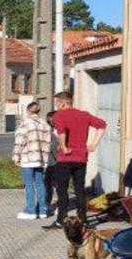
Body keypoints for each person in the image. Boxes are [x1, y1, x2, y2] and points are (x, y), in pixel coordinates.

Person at [45, 91, 106, 229]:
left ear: (63, 102)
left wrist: (64, 146)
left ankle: (61, 220)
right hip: (81, 158)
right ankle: (83, 220)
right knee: (80, 190)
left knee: (62, 190)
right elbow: (102, 125)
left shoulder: (59, 115)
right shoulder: (84, 115)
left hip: (65, 159)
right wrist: (93, 145)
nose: (56, 105)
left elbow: (62, 132)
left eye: (57, 102)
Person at [12, 102, 52, 219]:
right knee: (40, 184)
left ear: (28, 111)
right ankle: (42, 209)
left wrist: (16, 156)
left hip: (28, 157)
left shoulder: (25, 124)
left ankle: (31, 210)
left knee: (29, 184)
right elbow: (48, 142)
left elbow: (20, 141)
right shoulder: (45, 124)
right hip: (41, 158)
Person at [44, 111, 58, 218]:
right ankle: (47, 204)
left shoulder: (57, 131)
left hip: (55, 162)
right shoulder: (49, 132)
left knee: (55, 185)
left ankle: (55, 205)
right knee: (49, 185)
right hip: (50, 163)